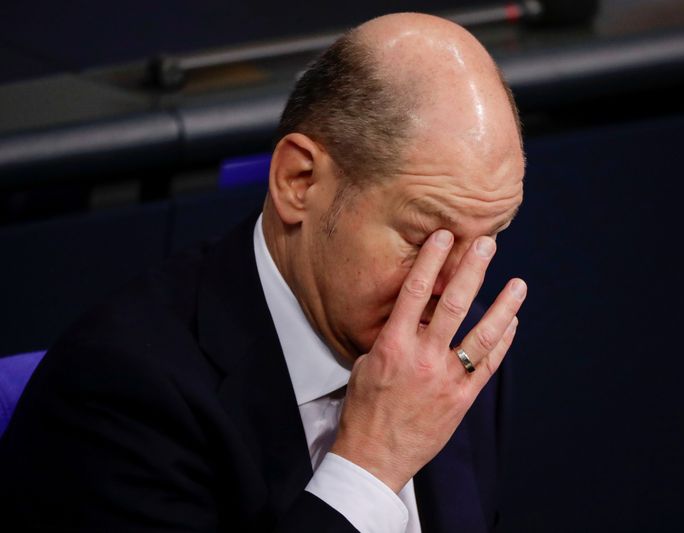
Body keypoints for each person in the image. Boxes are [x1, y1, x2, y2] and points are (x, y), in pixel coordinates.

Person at [0, 12, 526, 533]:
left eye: (488, 239)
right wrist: (372, 465)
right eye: (422, 239)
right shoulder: (123, 393)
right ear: (299, 181)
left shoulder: (455, 350)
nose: (455, 284)